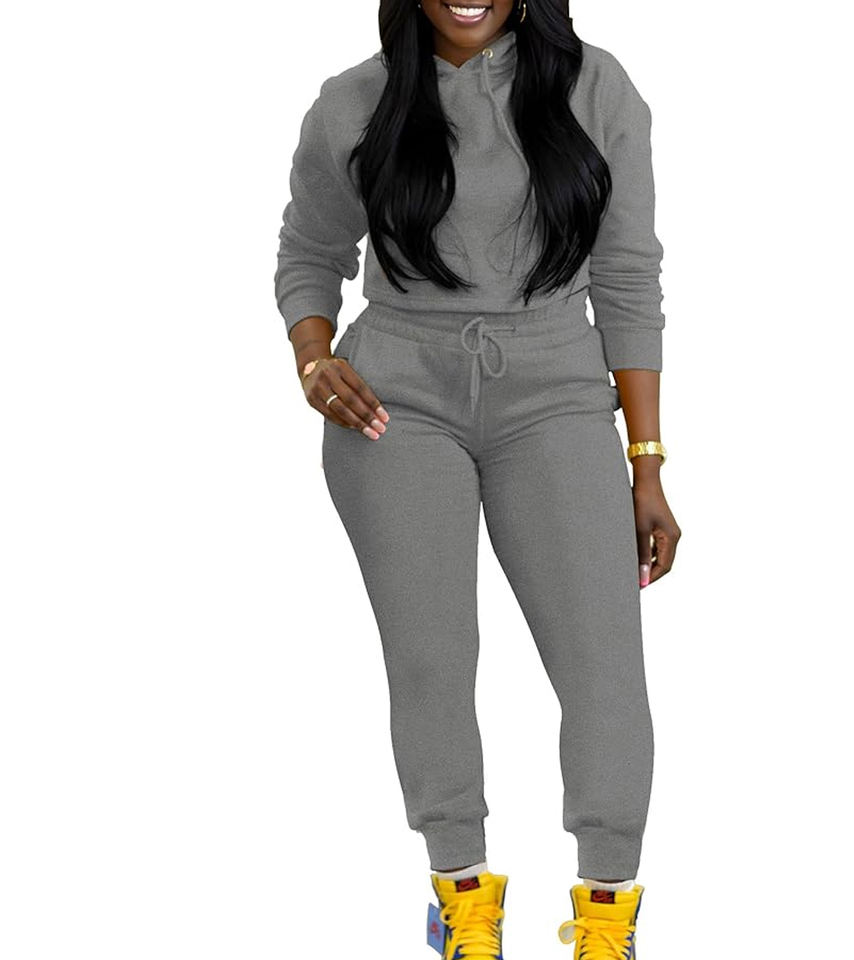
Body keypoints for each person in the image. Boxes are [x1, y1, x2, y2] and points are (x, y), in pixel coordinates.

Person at [273, 1, 681, 956]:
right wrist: (313, 357)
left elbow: (628, 276)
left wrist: (647, 463)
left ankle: (606, 914)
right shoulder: (354, 103)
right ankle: (462, 903)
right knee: (432, 659)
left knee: (603, 667)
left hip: (557, 389)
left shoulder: (596, 88)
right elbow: (308, 253)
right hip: (394, 401)